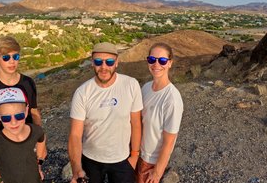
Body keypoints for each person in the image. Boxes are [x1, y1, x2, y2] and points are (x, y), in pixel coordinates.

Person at [68, 42, 143, 183]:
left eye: (109, 62)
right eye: (98, 62)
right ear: (92, 63)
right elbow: (75, 135)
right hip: (91, 160)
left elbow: (136, 123)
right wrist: (77, 167)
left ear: (116, 63)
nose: (103, 67)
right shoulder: (82, 92)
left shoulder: (131, 85)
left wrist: (134, 156)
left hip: (123, 159)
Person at [0, 36, 42, 146]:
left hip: (29, 144)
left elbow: (34, 113)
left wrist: (41, 143)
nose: (12, 62)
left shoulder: (28, 82)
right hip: (3, 148)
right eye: (6, 57)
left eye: (15, 56)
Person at [137, 43, 184, 183]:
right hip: (138, 155)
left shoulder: (172, 99)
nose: (156, 64)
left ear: (169, 63)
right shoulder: (145, 88)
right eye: (152, 59)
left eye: (162, 60)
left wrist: (157, 172)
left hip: (151, 161)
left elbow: (169, 141)